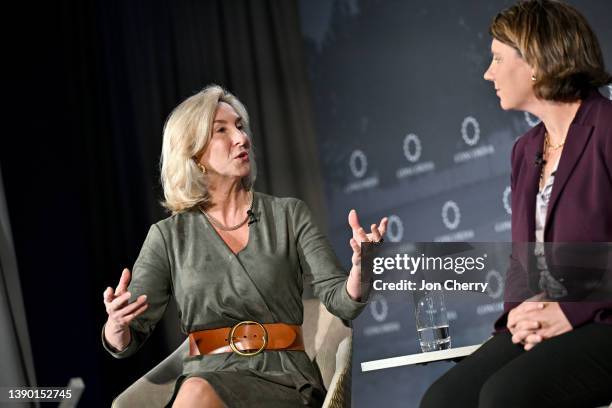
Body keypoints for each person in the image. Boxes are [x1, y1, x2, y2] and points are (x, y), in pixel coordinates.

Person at [102, 84, 388, 408]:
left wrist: (362, 270)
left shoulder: (288, 215)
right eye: (222, 130)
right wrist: (117, 325)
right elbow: (127, 338)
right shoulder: (168, 237)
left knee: (195, 394)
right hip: (207, 376)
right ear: (195, 155)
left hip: (285, 379)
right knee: (196, 390)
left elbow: (341, 301)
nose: (241, 138)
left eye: (240, 126)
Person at [420, 1, 612, 407]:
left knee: (504, 396)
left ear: (537, 61)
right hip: (553, 319)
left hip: (603, 317)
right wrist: (518, 319)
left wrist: (573, 312)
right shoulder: (525, 150)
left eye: (496, 59)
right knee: (443, 400)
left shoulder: (608, 130)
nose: (488, 73)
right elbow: (524, 262)